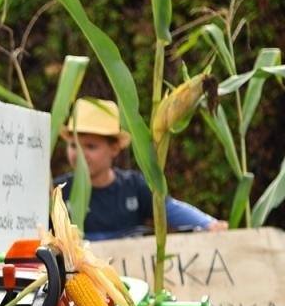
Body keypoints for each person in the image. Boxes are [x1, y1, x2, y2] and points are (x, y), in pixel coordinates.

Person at [57, 97, 226, 240]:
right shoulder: (58, 192)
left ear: (114, 148)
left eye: (90, 147)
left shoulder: (133, 186)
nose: (79, 154)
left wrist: (207, 224)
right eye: (74, 145)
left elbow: (168, 208)